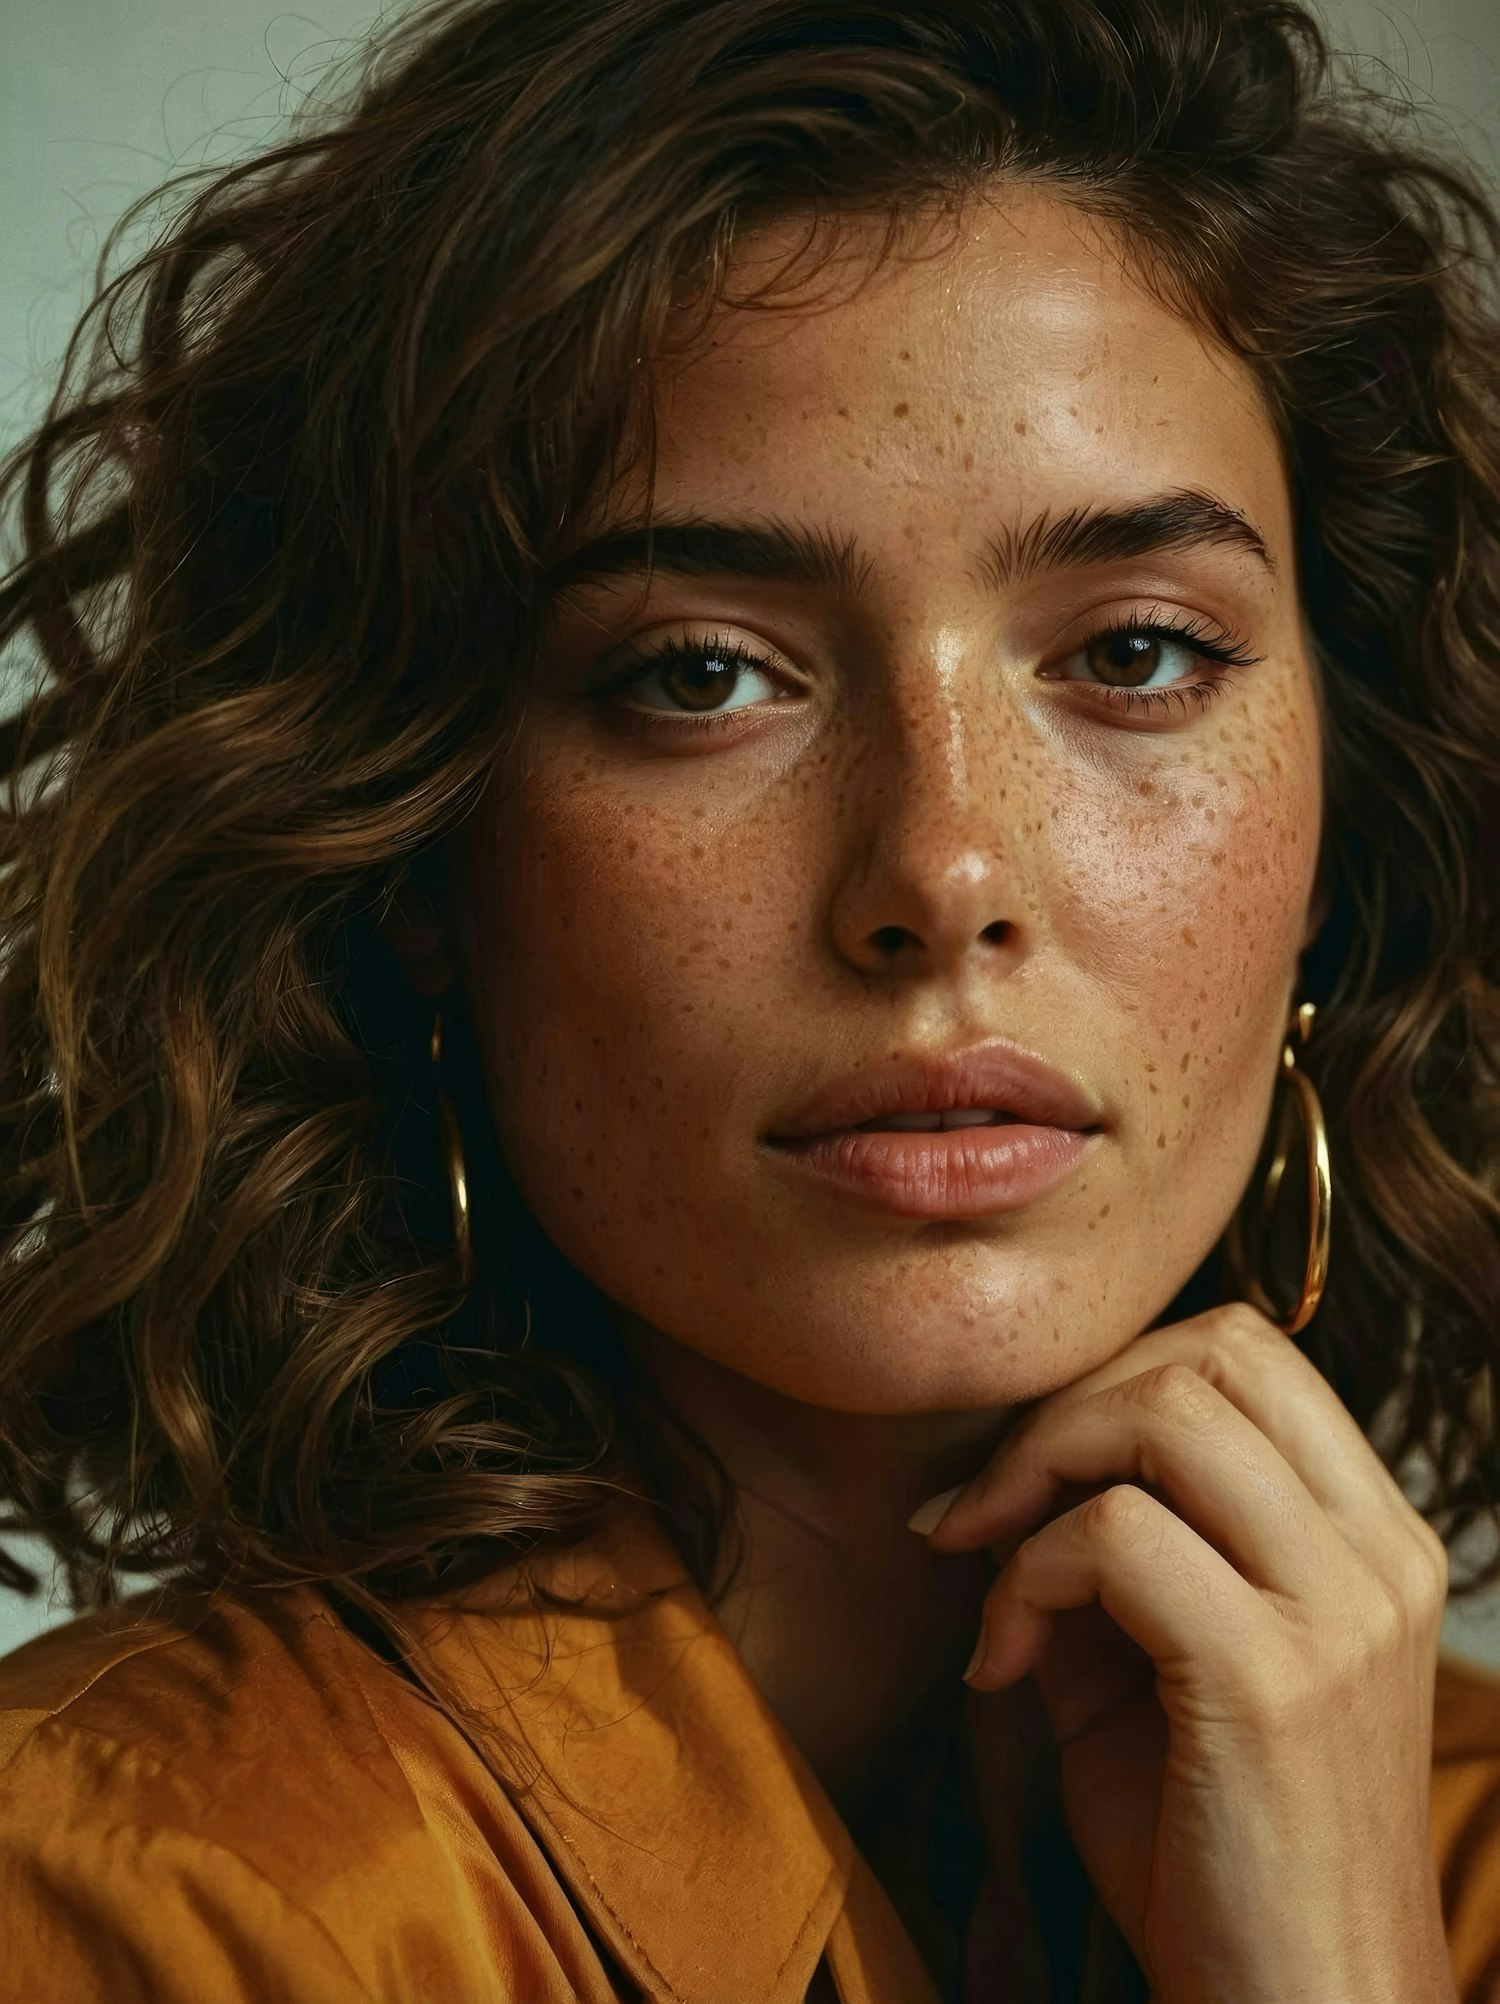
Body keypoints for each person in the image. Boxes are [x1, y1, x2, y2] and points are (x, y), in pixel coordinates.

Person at [1, 0, 1499, 1997]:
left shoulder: (1456, 1854)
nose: (945, 876)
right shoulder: (137, 1897)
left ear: (1344, 814)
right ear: (419, 849)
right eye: (702, 674)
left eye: (1136, 651)